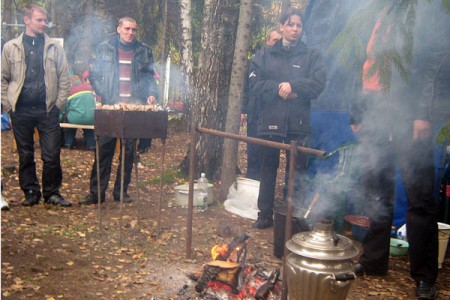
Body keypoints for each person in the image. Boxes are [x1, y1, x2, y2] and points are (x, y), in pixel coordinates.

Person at [351, 2, 449, 298]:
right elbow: (364, 65)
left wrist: (423, 113)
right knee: (376, 188)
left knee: (419, 196)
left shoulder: (427, 11)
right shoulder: (381, 12)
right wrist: (358, 113)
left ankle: (424, 276)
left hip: (408, 113)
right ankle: (374, 259)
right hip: (376, 112)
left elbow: (435, 64)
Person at [248, 8, 326, 229]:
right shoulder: (264, 54)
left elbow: (318, 83)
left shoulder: (312, 55)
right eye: (290, 24)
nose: (294, 29)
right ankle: (264, 215)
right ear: (281, 26)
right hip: (270, 119)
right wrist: (278, 88)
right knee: (267, 168)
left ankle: (293, 215)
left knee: (296, 172)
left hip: (298, 122)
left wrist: (295, 86)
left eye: (299, 25)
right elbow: (254, 82)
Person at [79, 16, 158, 205]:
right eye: (127, 29)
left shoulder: (144, 51)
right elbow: (95, 75)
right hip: (111, 106)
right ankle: (97, 193)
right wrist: (103, 94)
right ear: (118, 29)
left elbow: (150, 78)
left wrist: (152, 94)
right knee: (104, 150)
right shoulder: (104, 48)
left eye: (134, 29)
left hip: (133, 108)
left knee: (128, 152)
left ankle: (121, 192)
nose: (131, 33)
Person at [1, 4, 72, 207]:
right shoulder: (10, 47)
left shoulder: (54, 48)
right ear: (27, 20)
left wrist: (57, 105)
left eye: (45, 20)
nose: (44, 24)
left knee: (51, 154)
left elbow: (64, 79)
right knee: (25, 154)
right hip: (20, 110)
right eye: (39, 20)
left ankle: (52, 193)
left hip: (47, 110)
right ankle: (31, 192)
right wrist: (7, 104)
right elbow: (2, 78)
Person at [241, 29, 282, 181]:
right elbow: (247, 87)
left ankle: (265, 193)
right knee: (254, 154)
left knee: (271, 157)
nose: (277, 44)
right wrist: (243, 110)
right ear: (267, 42)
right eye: (274, 41)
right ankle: (251, 189)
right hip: (255, 115)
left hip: (274, 117)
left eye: (280, 41)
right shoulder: (257, 60)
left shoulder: (283, 63)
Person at [61, 67, 96, 150]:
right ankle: (92, 145)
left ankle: (68, 143)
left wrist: (60, 117)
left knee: (71, 125)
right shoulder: (89, 87)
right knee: (88, 127)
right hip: (91, 118)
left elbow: (65, 107)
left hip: (76, 118)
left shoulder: (70, 91)